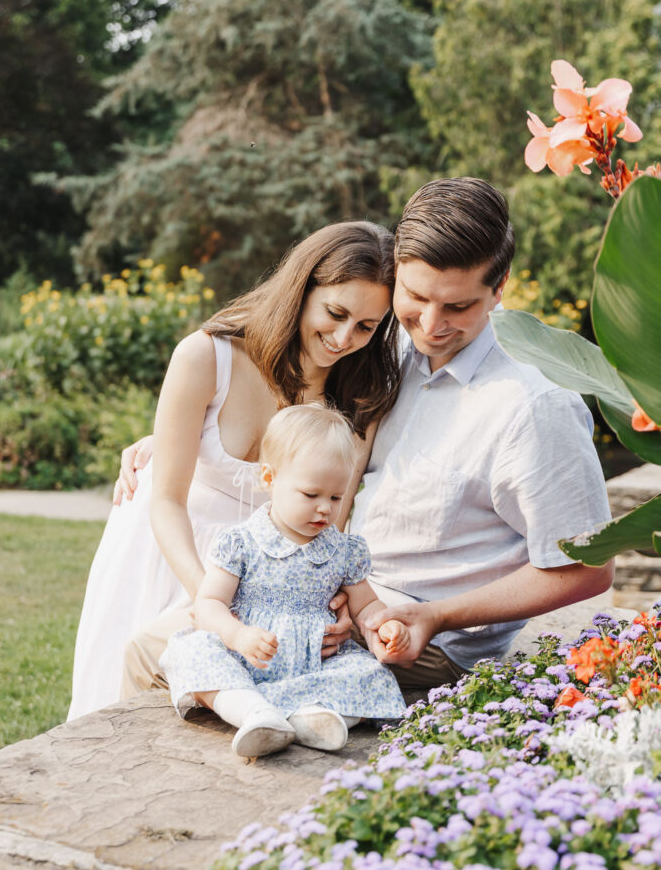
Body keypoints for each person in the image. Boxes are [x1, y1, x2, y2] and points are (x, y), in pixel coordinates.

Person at [117, 177, 614, 698]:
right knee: (163, 646)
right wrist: (174, 435)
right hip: (330, 595)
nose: (431, 325)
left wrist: (434, 616)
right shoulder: (386, 341)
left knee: (156, 652)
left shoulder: (535, 405)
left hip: (418, 638)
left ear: (500, 285)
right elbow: (297, 407)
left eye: (459, 307)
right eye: (416, 296)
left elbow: (590, 569)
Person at [67, 221, 400, 721]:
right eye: (335, 313)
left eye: (366, 327)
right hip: (172, 552)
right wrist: (212, 606)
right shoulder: (207, 356)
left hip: (269, 579)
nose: (342, 337)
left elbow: (330, 524)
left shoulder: (358, 402)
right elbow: (166, 501)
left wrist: (334, 608)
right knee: (128, 701)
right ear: (301, 288)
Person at [160, 404, 407, 759]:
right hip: (246, 657)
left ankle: (314, 717)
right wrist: (238, 635)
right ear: (270, 479)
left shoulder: (342, 550)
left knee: (367, 671)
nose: (325, 508)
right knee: (193, 652)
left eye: (336, 497)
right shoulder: (242, 542)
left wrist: (384, 624)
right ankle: (254, 715)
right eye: (311, 495)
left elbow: (366, 604)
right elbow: (209, 603)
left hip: (315, 663)